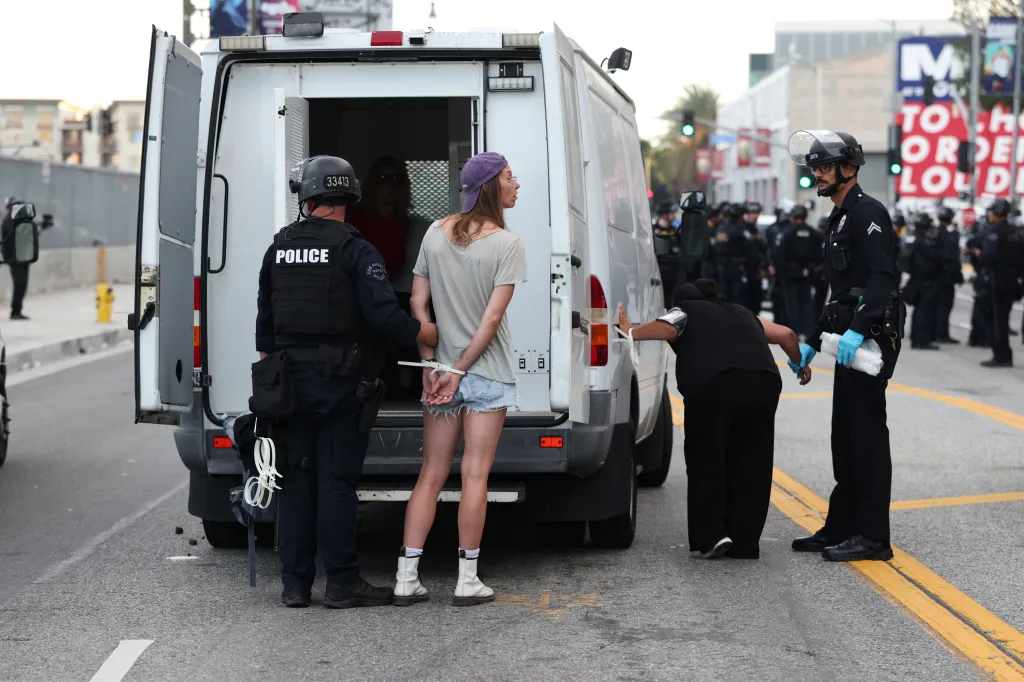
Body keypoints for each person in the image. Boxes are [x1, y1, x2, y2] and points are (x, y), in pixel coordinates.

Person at [254, 155, 438, 609]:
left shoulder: (279, 247)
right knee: (336, 483)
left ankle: (295, 586)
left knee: (295, 482)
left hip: (289, 386)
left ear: (308, 196)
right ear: (350, 197)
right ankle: (341, 583)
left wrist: (276, 381)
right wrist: (424, 335)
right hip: (339, 385)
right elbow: (383, 317)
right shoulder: (356, 249)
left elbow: (265, 327)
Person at [394, 152, 526, 607]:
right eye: (510, 177)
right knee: (475, 475)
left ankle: (406, 577)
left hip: (441, 374)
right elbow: (491, 321)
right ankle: (466, 580)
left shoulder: (434, 232)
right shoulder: (506, 244)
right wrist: (459, 371)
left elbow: (418, 304)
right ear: (492, 186)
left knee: (430, 473)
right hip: (485, 374)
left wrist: (433, 364)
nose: (517, 184)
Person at [615, 279, 812, 559]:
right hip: (763, 385)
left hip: (716, 385)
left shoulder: (685, 310)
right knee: (751, 461)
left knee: (706, 457)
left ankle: (712, 535)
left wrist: (630, 331)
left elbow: (670, 326)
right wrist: (799, 364)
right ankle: (745, 542)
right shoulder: (743, 313)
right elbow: (787, 335)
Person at [786, 130, 903, 562]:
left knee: (867, 438)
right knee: (845, 438)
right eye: (813, 166)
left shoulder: (868, 212)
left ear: (848, 169)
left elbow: (881, 278)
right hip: (847, 338)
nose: (816, 173)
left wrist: (860, 330)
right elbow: (837, 292)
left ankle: (873, 537)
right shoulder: (837, 218)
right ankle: (842, 525)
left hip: (870, 339)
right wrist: (812, 343)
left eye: (823, 166)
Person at [975, 198, 1024, 367]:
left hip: (996, 280)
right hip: (1012, 280)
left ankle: (1001, 355)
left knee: (996, 319)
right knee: (1003, 317)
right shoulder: (1015, 232)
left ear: (996, 213)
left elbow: (987, 257)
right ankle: (1004, 353)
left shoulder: (994, 232)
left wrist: (978, 255)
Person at [776, 204, 823, 340]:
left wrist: (783, 268)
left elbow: (778, 253)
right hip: (807, 273)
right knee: (807, 301)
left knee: (792, 303)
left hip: (790, 273)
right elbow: (822, 251)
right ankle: (807, 330)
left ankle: (794, 330)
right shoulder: (813, 233)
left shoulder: (787, 233)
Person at [903, 214, 943, 351]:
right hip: (924, 281)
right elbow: (934, 257)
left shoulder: (917, 239)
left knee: (920, 311)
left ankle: (919, 338)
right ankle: (921, 340)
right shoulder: (923, 241)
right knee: (923, 311)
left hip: (919, 280)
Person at [934, 206, 963, 344]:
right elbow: (952, 258)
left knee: (939, 305)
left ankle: (937, 332)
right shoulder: (948, 236)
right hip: (945, 276)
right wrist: (957, 275)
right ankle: (941, 333)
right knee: (944, 306)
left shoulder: (934, 232)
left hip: (937, 276)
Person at [2, 197, 32, 320]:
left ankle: (17, 310)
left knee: (22, 285)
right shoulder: (9, 220)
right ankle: (15, 311)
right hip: (15, 259)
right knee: (19, 285)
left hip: (22, 257)